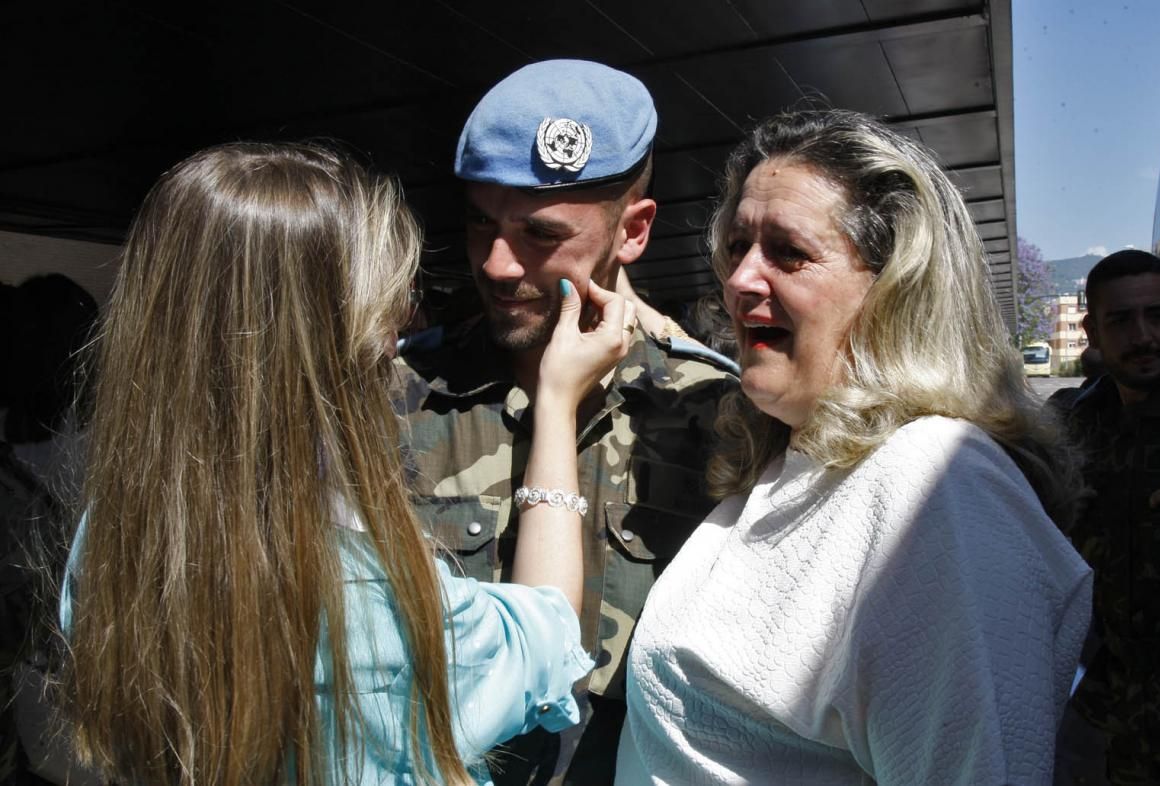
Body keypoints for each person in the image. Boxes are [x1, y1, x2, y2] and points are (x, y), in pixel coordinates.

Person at [58, 141, 638, 786]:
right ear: (324, 331)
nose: (398, 329)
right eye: (390, 298)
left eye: (541, 231)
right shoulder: (364, 596)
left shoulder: (108, 536)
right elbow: (546, 640)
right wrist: (556, 406)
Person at [615, 108, 1093, 784]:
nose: (740, 280)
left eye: (788, 252)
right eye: (737, 247)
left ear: (896, 290)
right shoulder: (796, 456)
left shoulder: (937, 486)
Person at [393, 59, 738, 785]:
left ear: (634, 232)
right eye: (481, 222)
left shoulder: (720, 414)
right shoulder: (394, 395)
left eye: (540, 235)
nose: (495, 263)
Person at [1064, 249, 1160, 784]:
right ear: (1092, 332)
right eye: (1121, 320)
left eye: (1158, 315)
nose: (1144, 336)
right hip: (1123, 720)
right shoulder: (1079, 426)